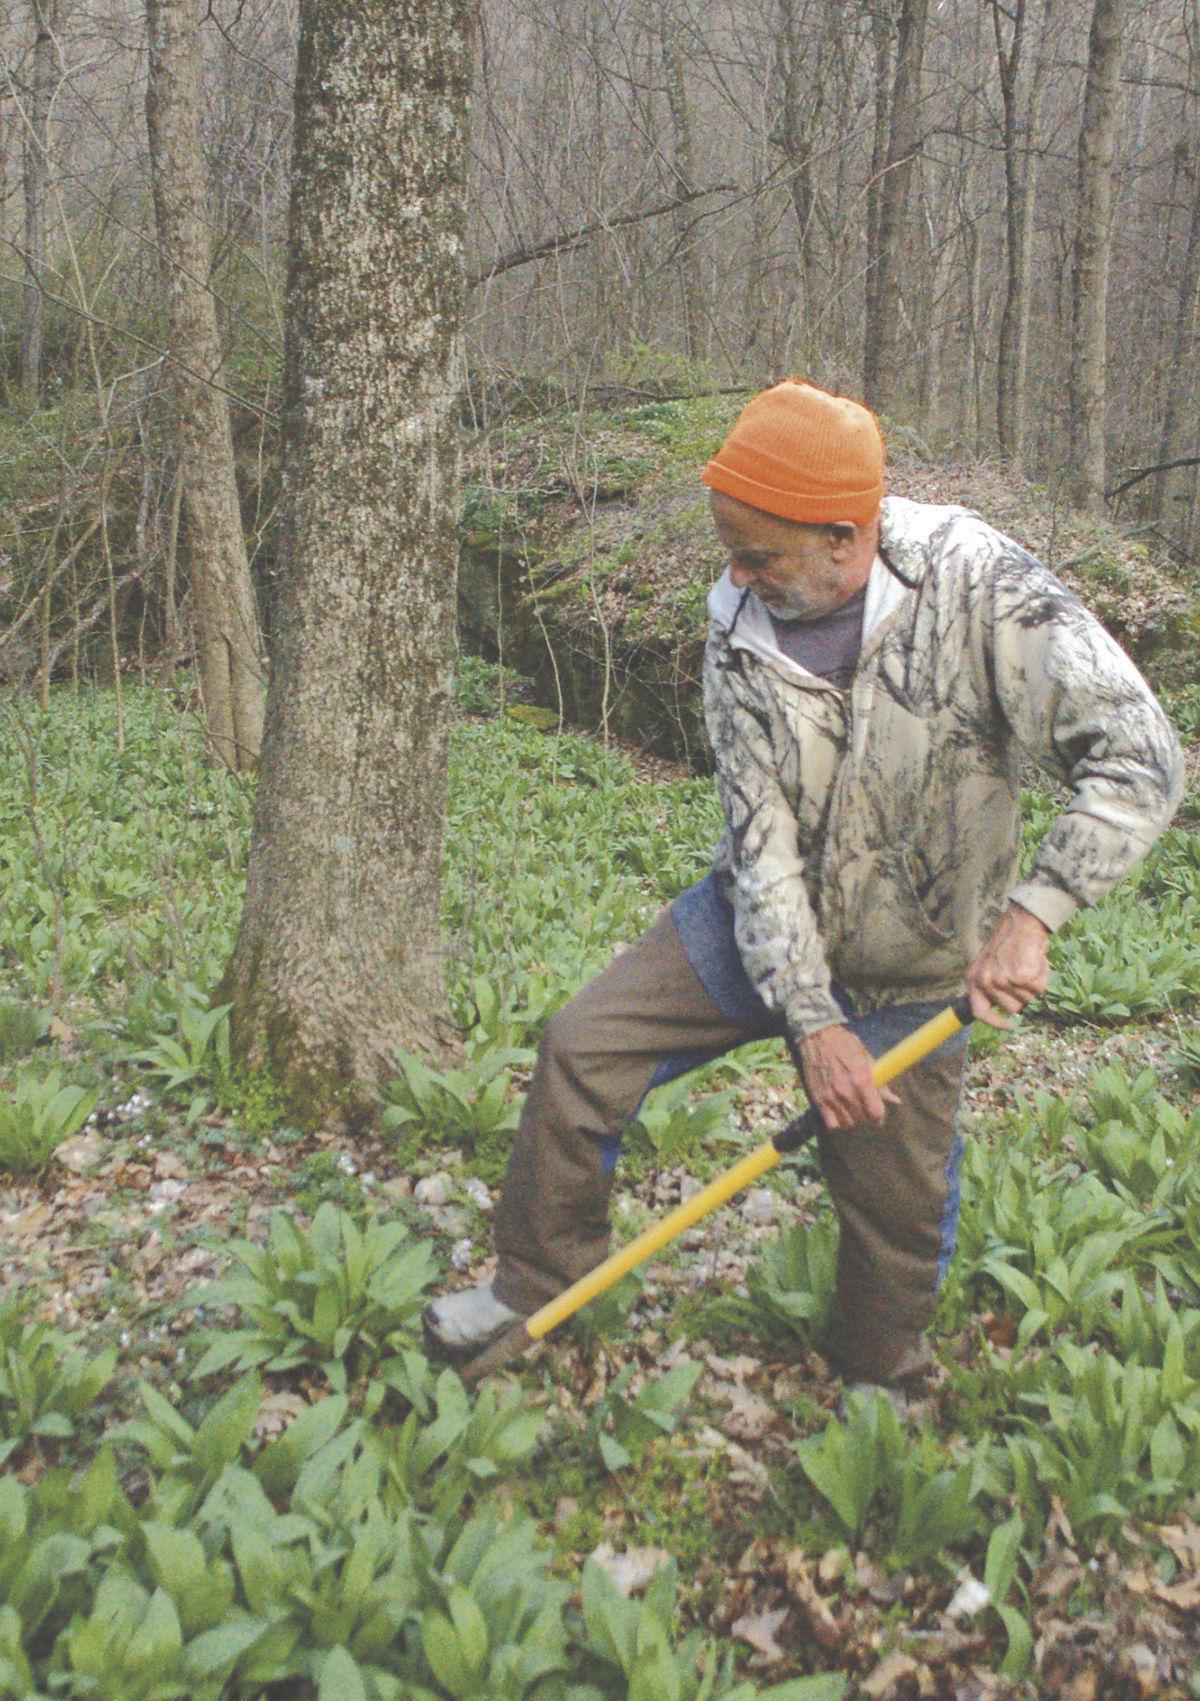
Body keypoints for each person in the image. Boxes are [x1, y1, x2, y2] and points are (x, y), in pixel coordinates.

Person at [424, 380, 1183, 1389]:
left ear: (843, 534)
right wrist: (809, 1020)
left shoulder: (980, 584)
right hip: (759, 924)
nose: (734, 574)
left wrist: (1035, 915)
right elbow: (761, 839)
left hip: (912, 960)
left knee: (895, 1209)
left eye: (759, 554)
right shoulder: (736, 620)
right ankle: (534, 1280)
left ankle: (879, 1383)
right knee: (580, 1048)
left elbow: (1141, 757)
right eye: (728, 548)